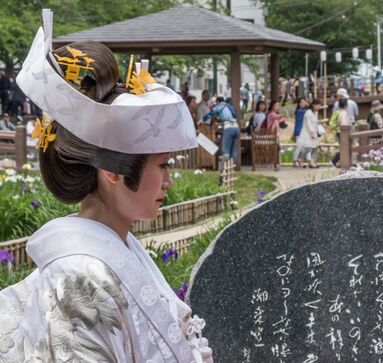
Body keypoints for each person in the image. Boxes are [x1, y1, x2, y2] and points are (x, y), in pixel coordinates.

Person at [0, 12, 213, 363]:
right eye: (162, 165)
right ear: (112, 171)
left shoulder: (117, 248)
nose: (170, 180)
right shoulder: (76, 274)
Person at [203, 97, 239, 162]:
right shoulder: (230, 107)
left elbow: (211, 113)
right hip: (236, 128)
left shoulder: (220, 106)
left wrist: (202, 119)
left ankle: (226, 168)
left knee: (226, 149)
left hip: (229, 128)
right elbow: (229, 118)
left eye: (216, 103)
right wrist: (218, 120)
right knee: (233, 149)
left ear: (219, 102)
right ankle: (233, 167)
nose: (216, 104)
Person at [298, 99, 321, 168]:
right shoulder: (308, 112)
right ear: (314, 105)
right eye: (318, 105)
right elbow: (308, 124)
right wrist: (311, 133)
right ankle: (301, 159)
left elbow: (315, 122)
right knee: (308, 148)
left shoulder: (315, 113)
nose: (319, 107)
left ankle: (312, 162)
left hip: (314, 132)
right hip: (307, 133)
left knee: (315, 147)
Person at [331, 98, 350, 167]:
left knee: (344, 147)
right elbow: (344, 123)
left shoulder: (338, 112)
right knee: (344, 148)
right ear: (346, 105)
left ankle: (339, 162)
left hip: (340, 131)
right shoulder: (342, 113)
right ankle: (334, 160)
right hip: (342, 132)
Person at [292, 98, 308, 167]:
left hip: (301, 131)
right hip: (299, 131)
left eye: (304, 102)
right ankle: (295, 161)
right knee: (299, 147)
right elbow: (310, 111)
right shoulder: (300, 111)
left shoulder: (301, 111)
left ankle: (298, 160)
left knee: (302, 147)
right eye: (301, 102)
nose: (303, 103)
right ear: (299, 104)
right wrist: (308, 105)